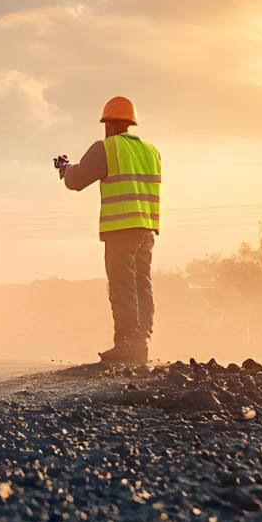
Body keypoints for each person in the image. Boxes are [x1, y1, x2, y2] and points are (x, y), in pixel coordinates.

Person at [56, 95, 161, 364]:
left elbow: (77, 180)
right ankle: (141, 343)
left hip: (121, 229)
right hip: (146, 228)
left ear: (108, 124)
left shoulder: (108, 148)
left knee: (122, 287)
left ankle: (126, 344)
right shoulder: (151, 152)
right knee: (142, 284)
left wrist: (65, 169)